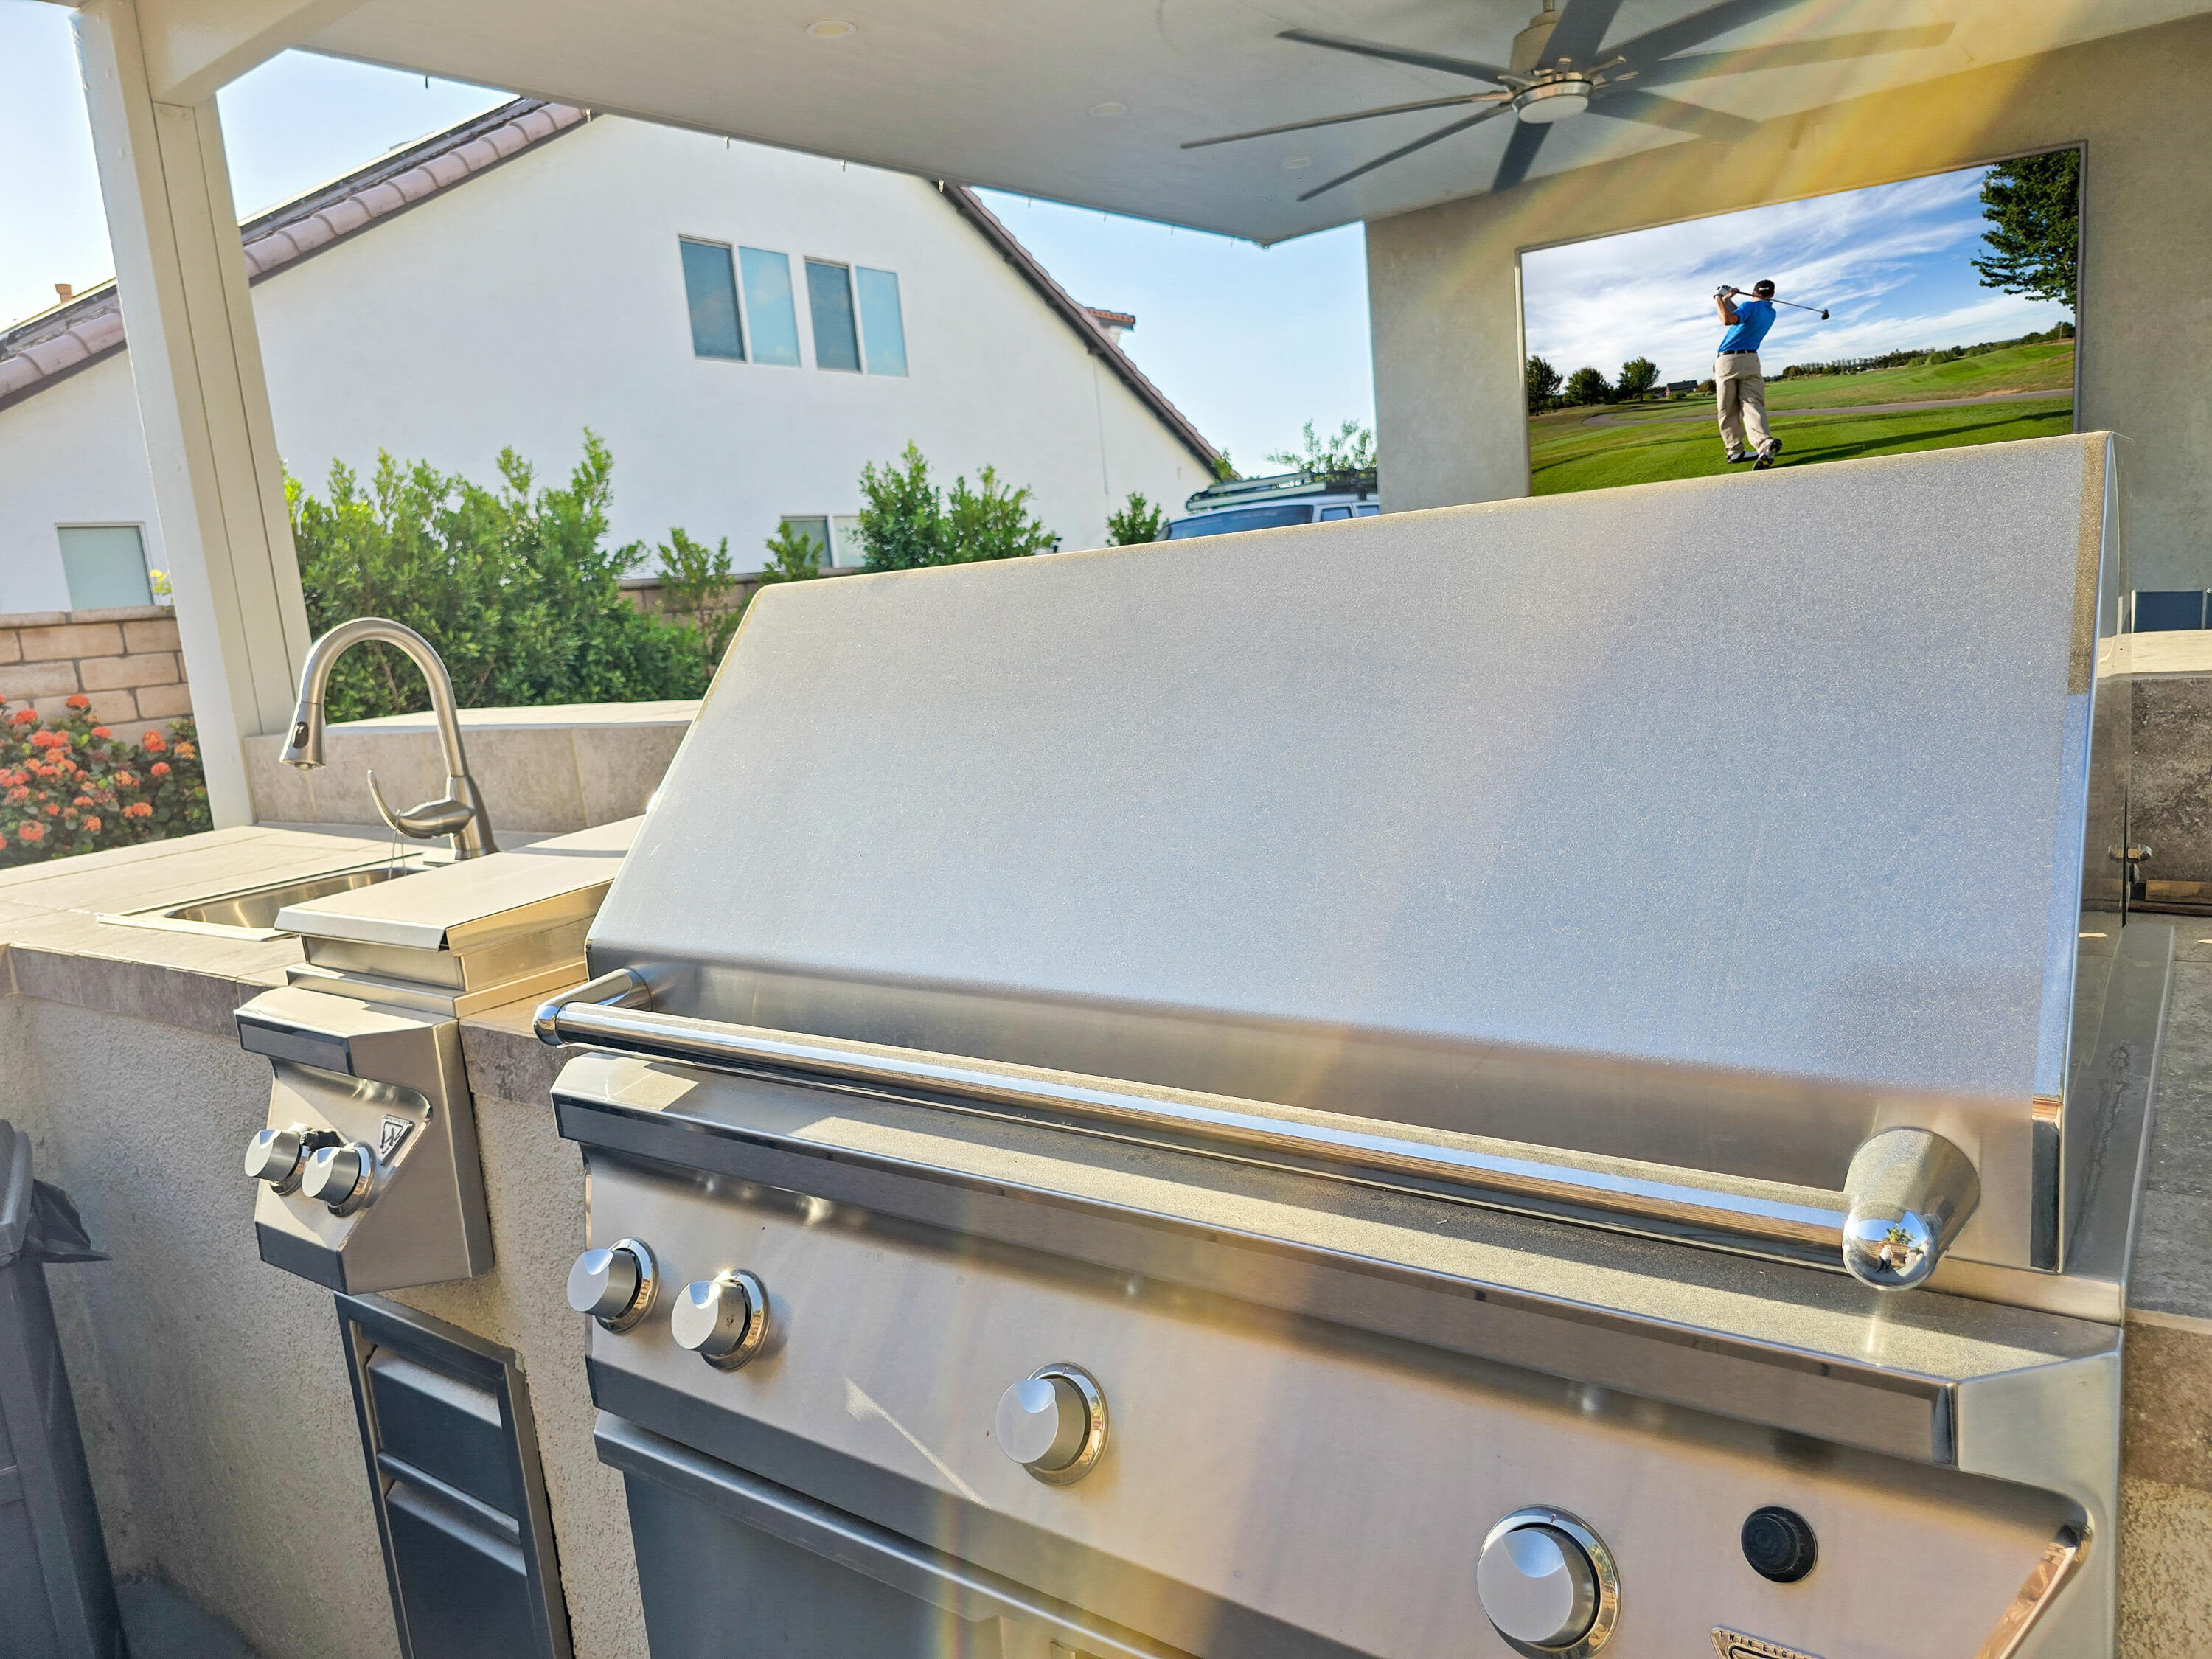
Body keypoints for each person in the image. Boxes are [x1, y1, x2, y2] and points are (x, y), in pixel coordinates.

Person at [1713, 280, 1784, 470]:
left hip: (1729, 361)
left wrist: (1719, 298)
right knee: (1752, 405)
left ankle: (1734, 450)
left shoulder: (1748, 307)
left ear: (1753, 292)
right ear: (1772, 294)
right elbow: (1742, 315)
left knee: (1727, 409)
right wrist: (1729, 300)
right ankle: (1764, 443)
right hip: (1751, 360)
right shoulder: (1770, 312)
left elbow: (1728, 320)